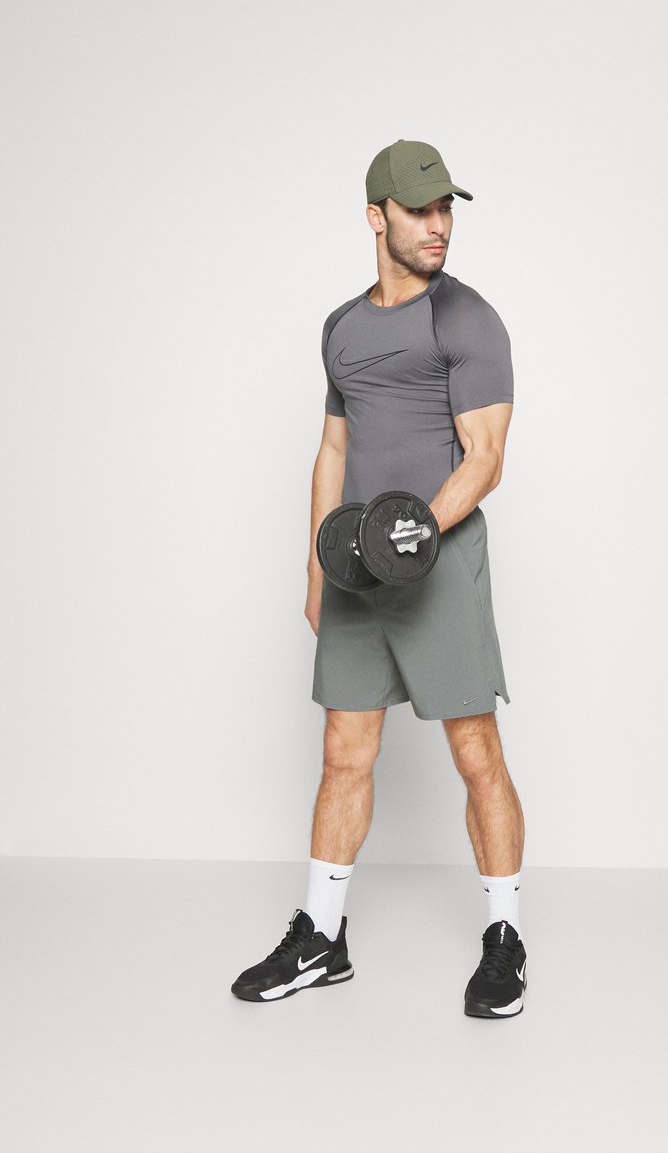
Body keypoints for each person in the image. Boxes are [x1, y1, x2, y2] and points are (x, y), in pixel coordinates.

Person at [232, 139, 526, 1017]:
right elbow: (333, 449)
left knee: (476, 755)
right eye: (419, 210)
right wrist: (317, 566)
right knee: (344, 753)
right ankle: (323, 938)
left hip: (438, 566)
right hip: (356, 569)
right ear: (376, 215)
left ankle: (505, 937)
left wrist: (414, 533)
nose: (438, 226)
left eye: (445, 209)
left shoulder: (467, 319)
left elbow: (486, 457)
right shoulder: (342, 329)